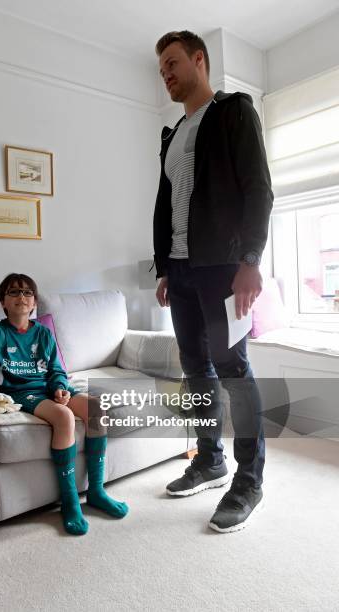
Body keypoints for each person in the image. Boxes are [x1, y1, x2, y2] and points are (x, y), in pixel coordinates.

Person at [153, 31, 273, 532]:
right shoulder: (172, 133)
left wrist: (250, 258)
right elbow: (168, 205)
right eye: (162, 70)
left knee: (233, 370)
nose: (168, 75)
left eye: (174, 63)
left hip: (222, 267)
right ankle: (210, 459)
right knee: (196, 369)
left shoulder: (233, 112)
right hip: (180, 270)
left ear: (200, 60)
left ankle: (248, 479)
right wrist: (164, 266)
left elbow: (258, 189)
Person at [0, 272, 128, 536]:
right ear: (3, 301)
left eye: (27, 293)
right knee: (63, 418)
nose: (21, 297)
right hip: (22, 393)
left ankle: (96, 491)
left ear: (34, 301)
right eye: (14, 292)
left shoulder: (44, 334)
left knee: (95, 408)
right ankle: (70, 501)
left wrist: (61, 387)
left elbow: (56, 370)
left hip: (51, 388)